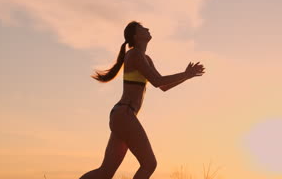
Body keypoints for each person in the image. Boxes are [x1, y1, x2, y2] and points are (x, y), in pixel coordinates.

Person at [79, 21, 205, 179]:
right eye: (143, 28)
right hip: (124, 114)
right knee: (149, 164)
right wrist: (185, 74)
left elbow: (163, 86)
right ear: (136, 36)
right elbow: (157, 81)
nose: (148, 29)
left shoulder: (145, 58)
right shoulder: (134, 54)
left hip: (121, 116)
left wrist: (187, 77)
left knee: (105, 172)